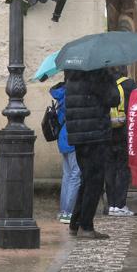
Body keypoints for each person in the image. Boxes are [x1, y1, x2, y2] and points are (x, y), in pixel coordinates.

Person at [65, 68, 120, 240]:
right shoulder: (99, 73)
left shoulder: (72, 75)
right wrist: (111, 78)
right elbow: (113, 99)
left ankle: (75, 222)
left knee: (87, 179)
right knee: (95, 180)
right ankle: (86, 226)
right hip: (95, 134)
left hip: (79, 135)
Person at [104, 67, 137, 217]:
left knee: (109, 168)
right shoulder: (130, 84)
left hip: (108, 132)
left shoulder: (104, 84)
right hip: (125, 132)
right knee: (123, 169)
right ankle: (121, 204)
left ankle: (111, 205)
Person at [50, 77, 81, 224]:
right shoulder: (72, 96)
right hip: (72, 137)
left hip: (63, 137)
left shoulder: (61, 95)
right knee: (75, 175)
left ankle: (63, 210)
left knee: (68, 175)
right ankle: (68, 212)